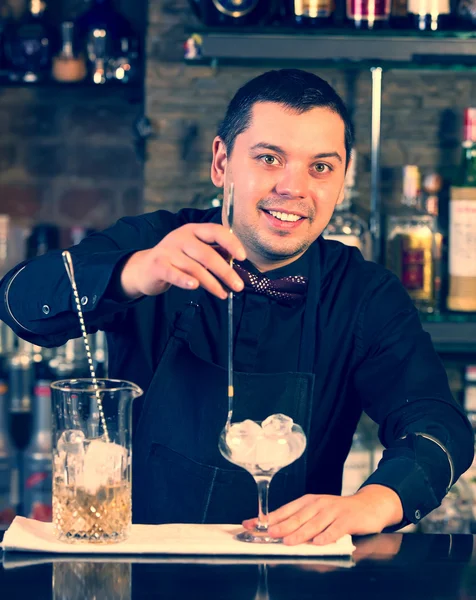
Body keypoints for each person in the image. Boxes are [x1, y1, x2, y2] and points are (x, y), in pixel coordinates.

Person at [0, 69, 473, 546]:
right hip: (137, 567)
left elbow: (439, 425)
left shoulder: (365, 295)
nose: (294, 187)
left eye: (321, 168)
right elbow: (19, 302)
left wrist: (376, 501)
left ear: (344, 179)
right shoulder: (153, 243)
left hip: (290, 573)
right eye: (269, 159)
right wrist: (133, 273)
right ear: (222, 163)